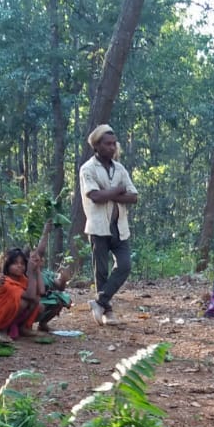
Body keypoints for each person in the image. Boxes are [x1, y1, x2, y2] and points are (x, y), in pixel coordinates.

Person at [80, 124, 139, 326]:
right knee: (101, 271)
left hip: (119, 225)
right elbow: (95, 196)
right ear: (96, 145)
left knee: (124, 265)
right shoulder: (88, 168)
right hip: (98, 226)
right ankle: (108, 311)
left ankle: (100, 302)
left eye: (114, 144)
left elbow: (133, 197)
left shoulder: (119, 168)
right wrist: (117, 191)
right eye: (107, 144)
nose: (112, 147)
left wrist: (111, 193)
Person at [0, 248, 41, 341]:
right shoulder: (4, 280)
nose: (19, 266)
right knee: (23, 302)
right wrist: (31, 273)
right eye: (15, 263)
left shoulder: (22, 279)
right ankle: (1, 329)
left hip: (12, 314)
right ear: (7, 265)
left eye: (22, 264)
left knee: (36, 301)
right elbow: (30, 296)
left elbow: (40, 291)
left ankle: (22, 327)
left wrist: (36, 270)